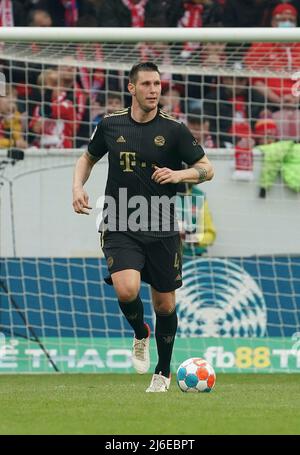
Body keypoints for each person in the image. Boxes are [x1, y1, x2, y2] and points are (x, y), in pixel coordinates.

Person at [72, 62, 214, 392]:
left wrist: (180, 175)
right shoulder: (109, 125)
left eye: (158, 84)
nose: (154, 90)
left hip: (163, 224)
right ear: (131, 88)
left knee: (165, 305)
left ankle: (163, 372)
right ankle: (140, 333)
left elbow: (206, 168)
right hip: (120, 220)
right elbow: (87, 159)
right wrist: (78, 187)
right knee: (126, 289)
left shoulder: (175, 130)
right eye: (147, 84)